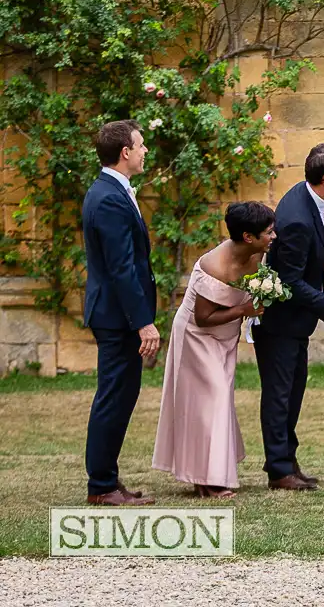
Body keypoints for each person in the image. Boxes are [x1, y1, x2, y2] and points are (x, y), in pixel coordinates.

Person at [152, 202, 275, 498]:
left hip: (225, 335)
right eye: (269, 232)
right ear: (248, 236)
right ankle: (207, 480)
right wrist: (245, 308)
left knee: (216, 402)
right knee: (209, 401)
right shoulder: (214, 266)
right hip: (197, 336)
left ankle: (209, 471)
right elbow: (202, 318)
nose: (274, 236)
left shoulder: (258, 252)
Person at [253, 143, 324, 491]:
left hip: (293, 324)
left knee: (292, 393)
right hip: (280, 323)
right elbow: (289, 280)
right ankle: (279, 469)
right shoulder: (297, 218)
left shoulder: (311, 198)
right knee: (280, 396)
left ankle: (287, 462)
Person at [81, 119, 159, 506]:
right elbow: (121, 267)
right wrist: (143, 322)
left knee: (120, 395)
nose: (146, 151)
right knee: (113, 397)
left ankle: (107, 480)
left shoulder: (113, 190)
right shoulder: (109, 197)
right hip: (116, 317)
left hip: (115, 314)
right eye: (141, 145)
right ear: (125, 152)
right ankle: (102, 486)